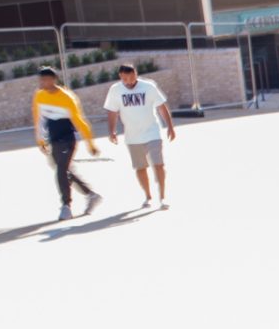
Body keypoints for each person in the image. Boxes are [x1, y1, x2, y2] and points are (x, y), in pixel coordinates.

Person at [32, 68, 104, 221]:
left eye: (45, 79)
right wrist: (40, 140)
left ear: (54, 79)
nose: (42, 83)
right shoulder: (39, 96)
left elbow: (80, 121)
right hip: (53, 139)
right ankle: (91, 195)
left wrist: (90, 144)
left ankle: (66, 206)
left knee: (61, 171)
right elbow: (38, 118)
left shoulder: (67, 97)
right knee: (63, 171)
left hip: (67, 140)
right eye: (41, 80)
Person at [103, 64, 176, 208]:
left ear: (136, 74)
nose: (129, 82)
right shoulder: (115, 90)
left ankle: (162, 197)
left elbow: (161, 106)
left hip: (152, 132)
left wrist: (170, 127)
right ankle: (148, 196)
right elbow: (112, 111)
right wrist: (111, 131)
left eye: (131, 78)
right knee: (140, 167)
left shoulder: (148, 86)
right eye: (125, 79)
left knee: (159, 164)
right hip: (132, 136)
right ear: (120, 77)